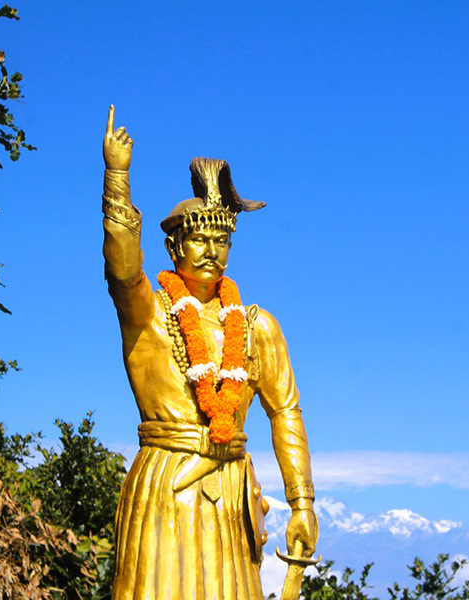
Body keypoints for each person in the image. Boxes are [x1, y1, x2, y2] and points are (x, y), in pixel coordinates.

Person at [102, 105, 317, 599]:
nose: (211, 251)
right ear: (174, 248)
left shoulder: (258, 326)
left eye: (222, 240)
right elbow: (121, 269)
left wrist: (301, 501)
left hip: (232, 496)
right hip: (165, 485)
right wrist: (117, 177)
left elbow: (285, 411)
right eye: (199, 238)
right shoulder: (148, 312)